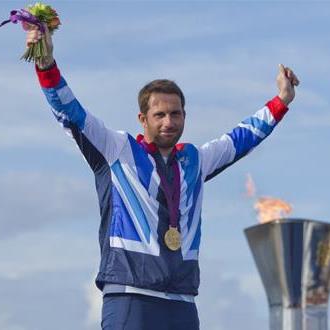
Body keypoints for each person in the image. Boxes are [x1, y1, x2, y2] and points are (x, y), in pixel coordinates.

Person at [25, 25, 299, 330]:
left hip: (181, 300)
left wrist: (281, 101)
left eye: (176, 113)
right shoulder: (117, 150)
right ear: (143, 119)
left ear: (184, 115)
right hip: (131, 295)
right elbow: (70, 112)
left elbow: (241, 138)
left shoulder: (195, 161)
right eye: (160, 115)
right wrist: (46, 64)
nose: (169, 122)